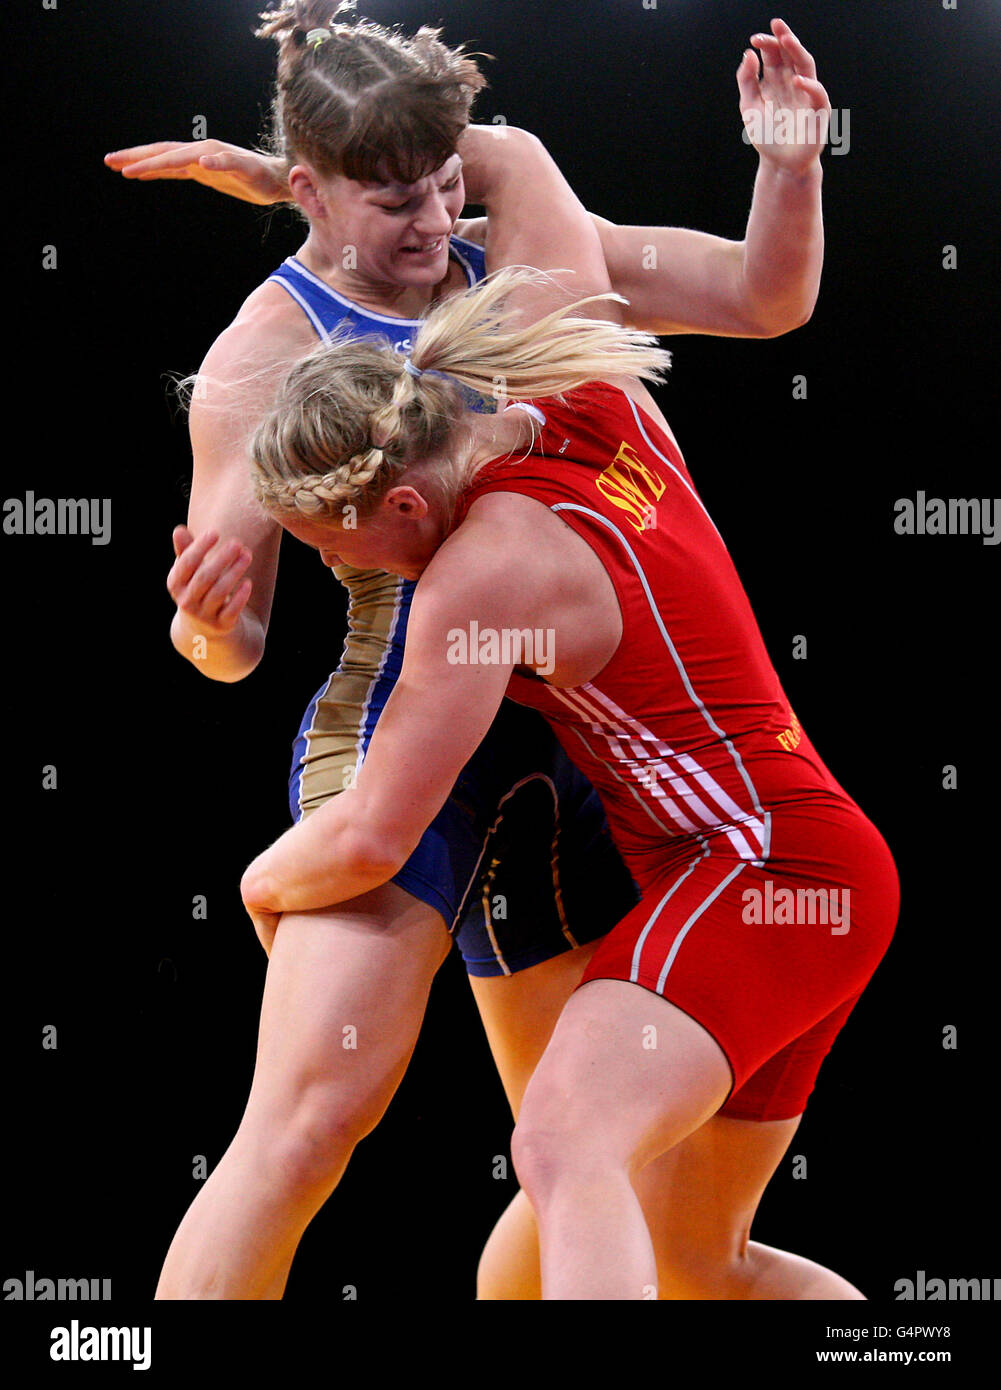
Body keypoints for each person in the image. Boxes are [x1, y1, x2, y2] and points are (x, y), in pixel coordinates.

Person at [109, 3, 837, 1298]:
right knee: (304, 1128)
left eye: (448, 182)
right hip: (398, 747)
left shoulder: (519, 258)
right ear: (311, 191)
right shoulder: (261, 356)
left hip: (565, 761)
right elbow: (229, 647)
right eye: (393, 201)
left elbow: (762, 297)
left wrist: (788, 161)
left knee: (572, 1172)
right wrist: (206, 623)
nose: (435, 225)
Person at [240, 132, 898, 1300]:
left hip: (747, 870)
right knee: (685, 1260)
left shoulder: (474, 581)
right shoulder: (577, 382)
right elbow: (513, 155)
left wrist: (257, 884)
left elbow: (372, 836)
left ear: (399, 500)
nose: (361, 583)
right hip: (814, 869)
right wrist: (290, 167)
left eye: (340, 554)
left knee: (558, 1148)